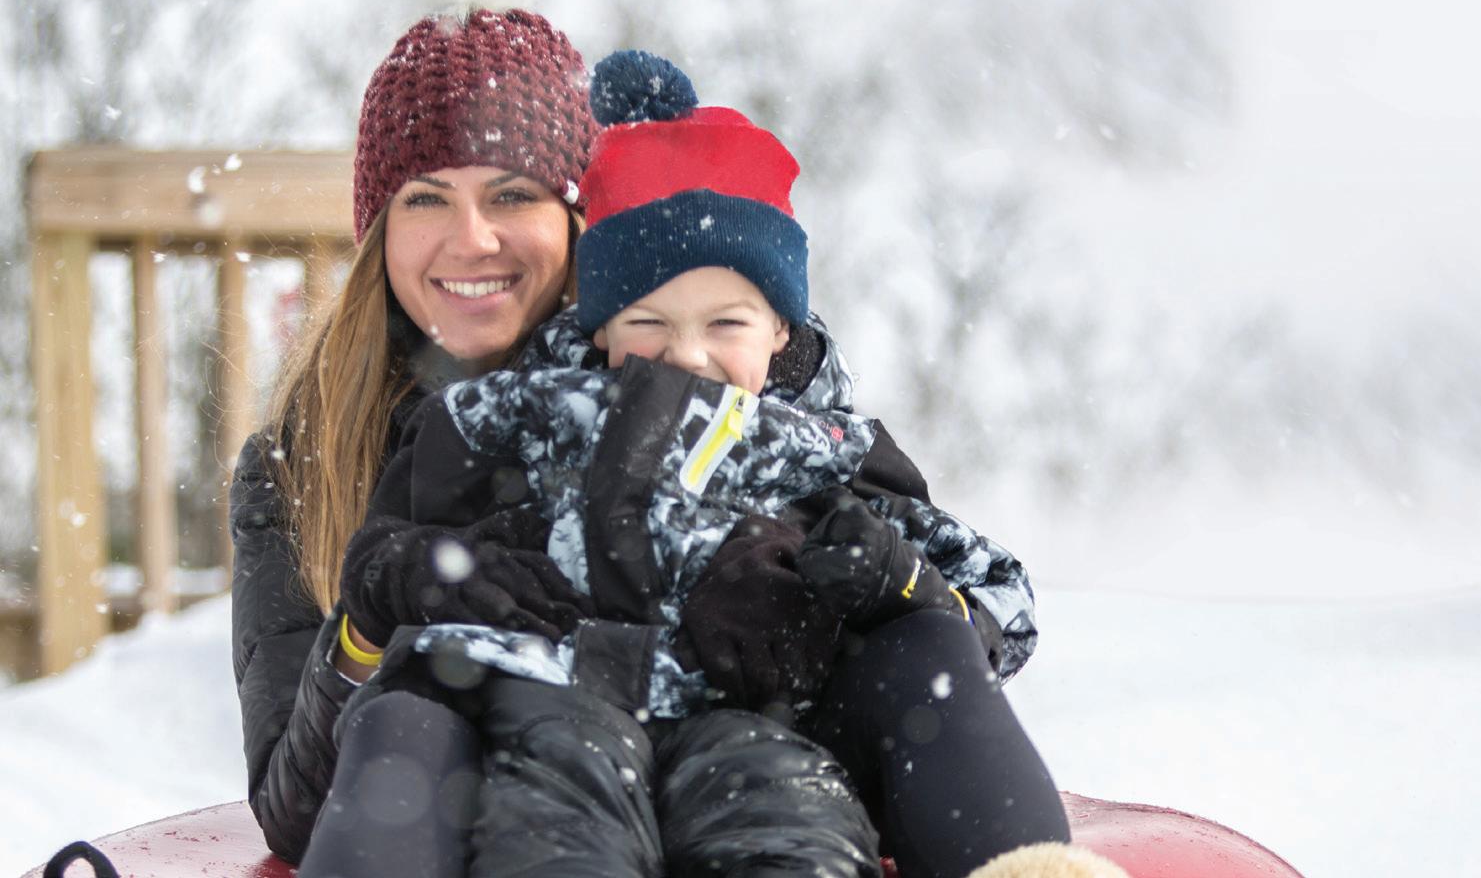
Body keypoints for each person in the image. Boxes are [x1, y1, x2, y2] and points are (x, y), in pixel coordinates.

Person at [325, 50, 1129, 878]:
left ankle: (1023, 868)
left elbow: (1000, 597)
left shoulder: (822, 447)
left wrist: (894, 583)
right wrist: (417, 577)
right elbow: (393, 559)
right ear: (600, 326)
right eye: (648, 322)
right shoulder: (511, 420)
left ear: (781, 328)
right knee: (472, 756)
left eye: (725, 324)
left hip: (771, 734)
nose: (688, 355)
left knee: (888, 693)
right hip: (560, 719)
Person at [230, 0, 874, 878]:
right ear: (379, 233)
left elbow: (905, 685)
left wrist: (776, 596)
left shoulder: (737, 395)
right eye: (425, 198)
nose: (471, 239)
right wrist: (373, 621)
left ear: (582, 223)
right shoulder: (301, 460)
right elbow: (291, 811)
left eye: (511, 193)